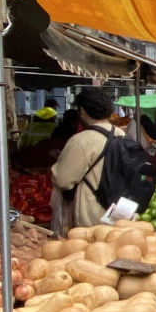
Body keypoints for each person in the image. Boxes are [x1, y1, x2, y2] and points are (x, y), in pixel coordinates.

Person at [49, 87, 120, 228]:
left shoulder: (81, 141)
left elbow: (63, 180)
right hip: (118, 212)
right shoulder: (121, 134)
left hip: (93, 215)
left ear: (81, 110)